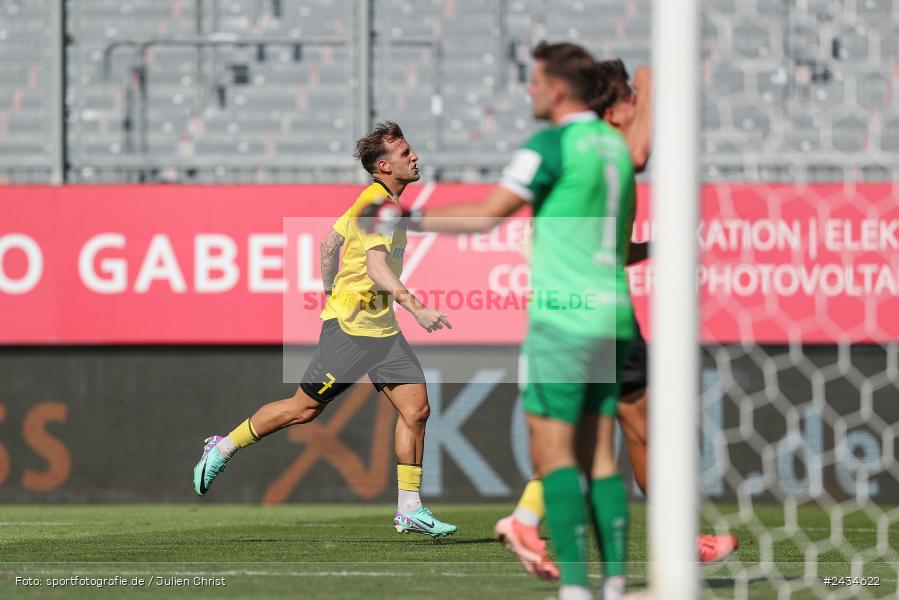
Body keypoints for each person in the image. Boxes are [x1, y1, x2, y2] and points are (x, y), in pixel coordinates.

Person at [362, 42, 635, 600]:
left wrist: (406, 216)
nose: (529, 90)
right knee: (603, 454)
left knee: (554, 455)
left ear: (558, 89)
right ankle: (615, 582)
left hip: (563, 318)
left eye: (535, 81)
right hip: (615, 314)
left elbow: (488, 215)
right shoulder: (616, 147)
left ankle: (577, 589)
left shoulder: (550, 144)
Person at [495, 59, 738, 581]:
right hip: (591, 313)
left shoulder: (596, 157)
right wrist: (652, 87)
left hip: (581, 309)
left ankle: (540, 526)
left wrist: (651, 246)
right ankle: (528, 522)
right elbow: (640, 152)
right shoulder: (606, 151)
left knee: (627, 428)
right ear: (613, 109)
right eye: (627, 100)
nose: (635, 110)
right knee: (596, 437)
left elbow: (616, 247)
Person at [192, 121, 457, 538]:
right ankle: (222, 447)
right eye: (406, 153)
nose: (415, 157)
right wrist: (417, 307)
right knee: (303, 409)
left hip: (380, 329)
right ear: (384, 166)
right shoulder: (377, 204)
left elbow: (328, 245)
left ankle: (409, 508)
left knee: (416, 409)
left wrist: (331, 287)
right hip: (352, 331)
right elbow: (374, 266)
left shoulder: (374, 204)